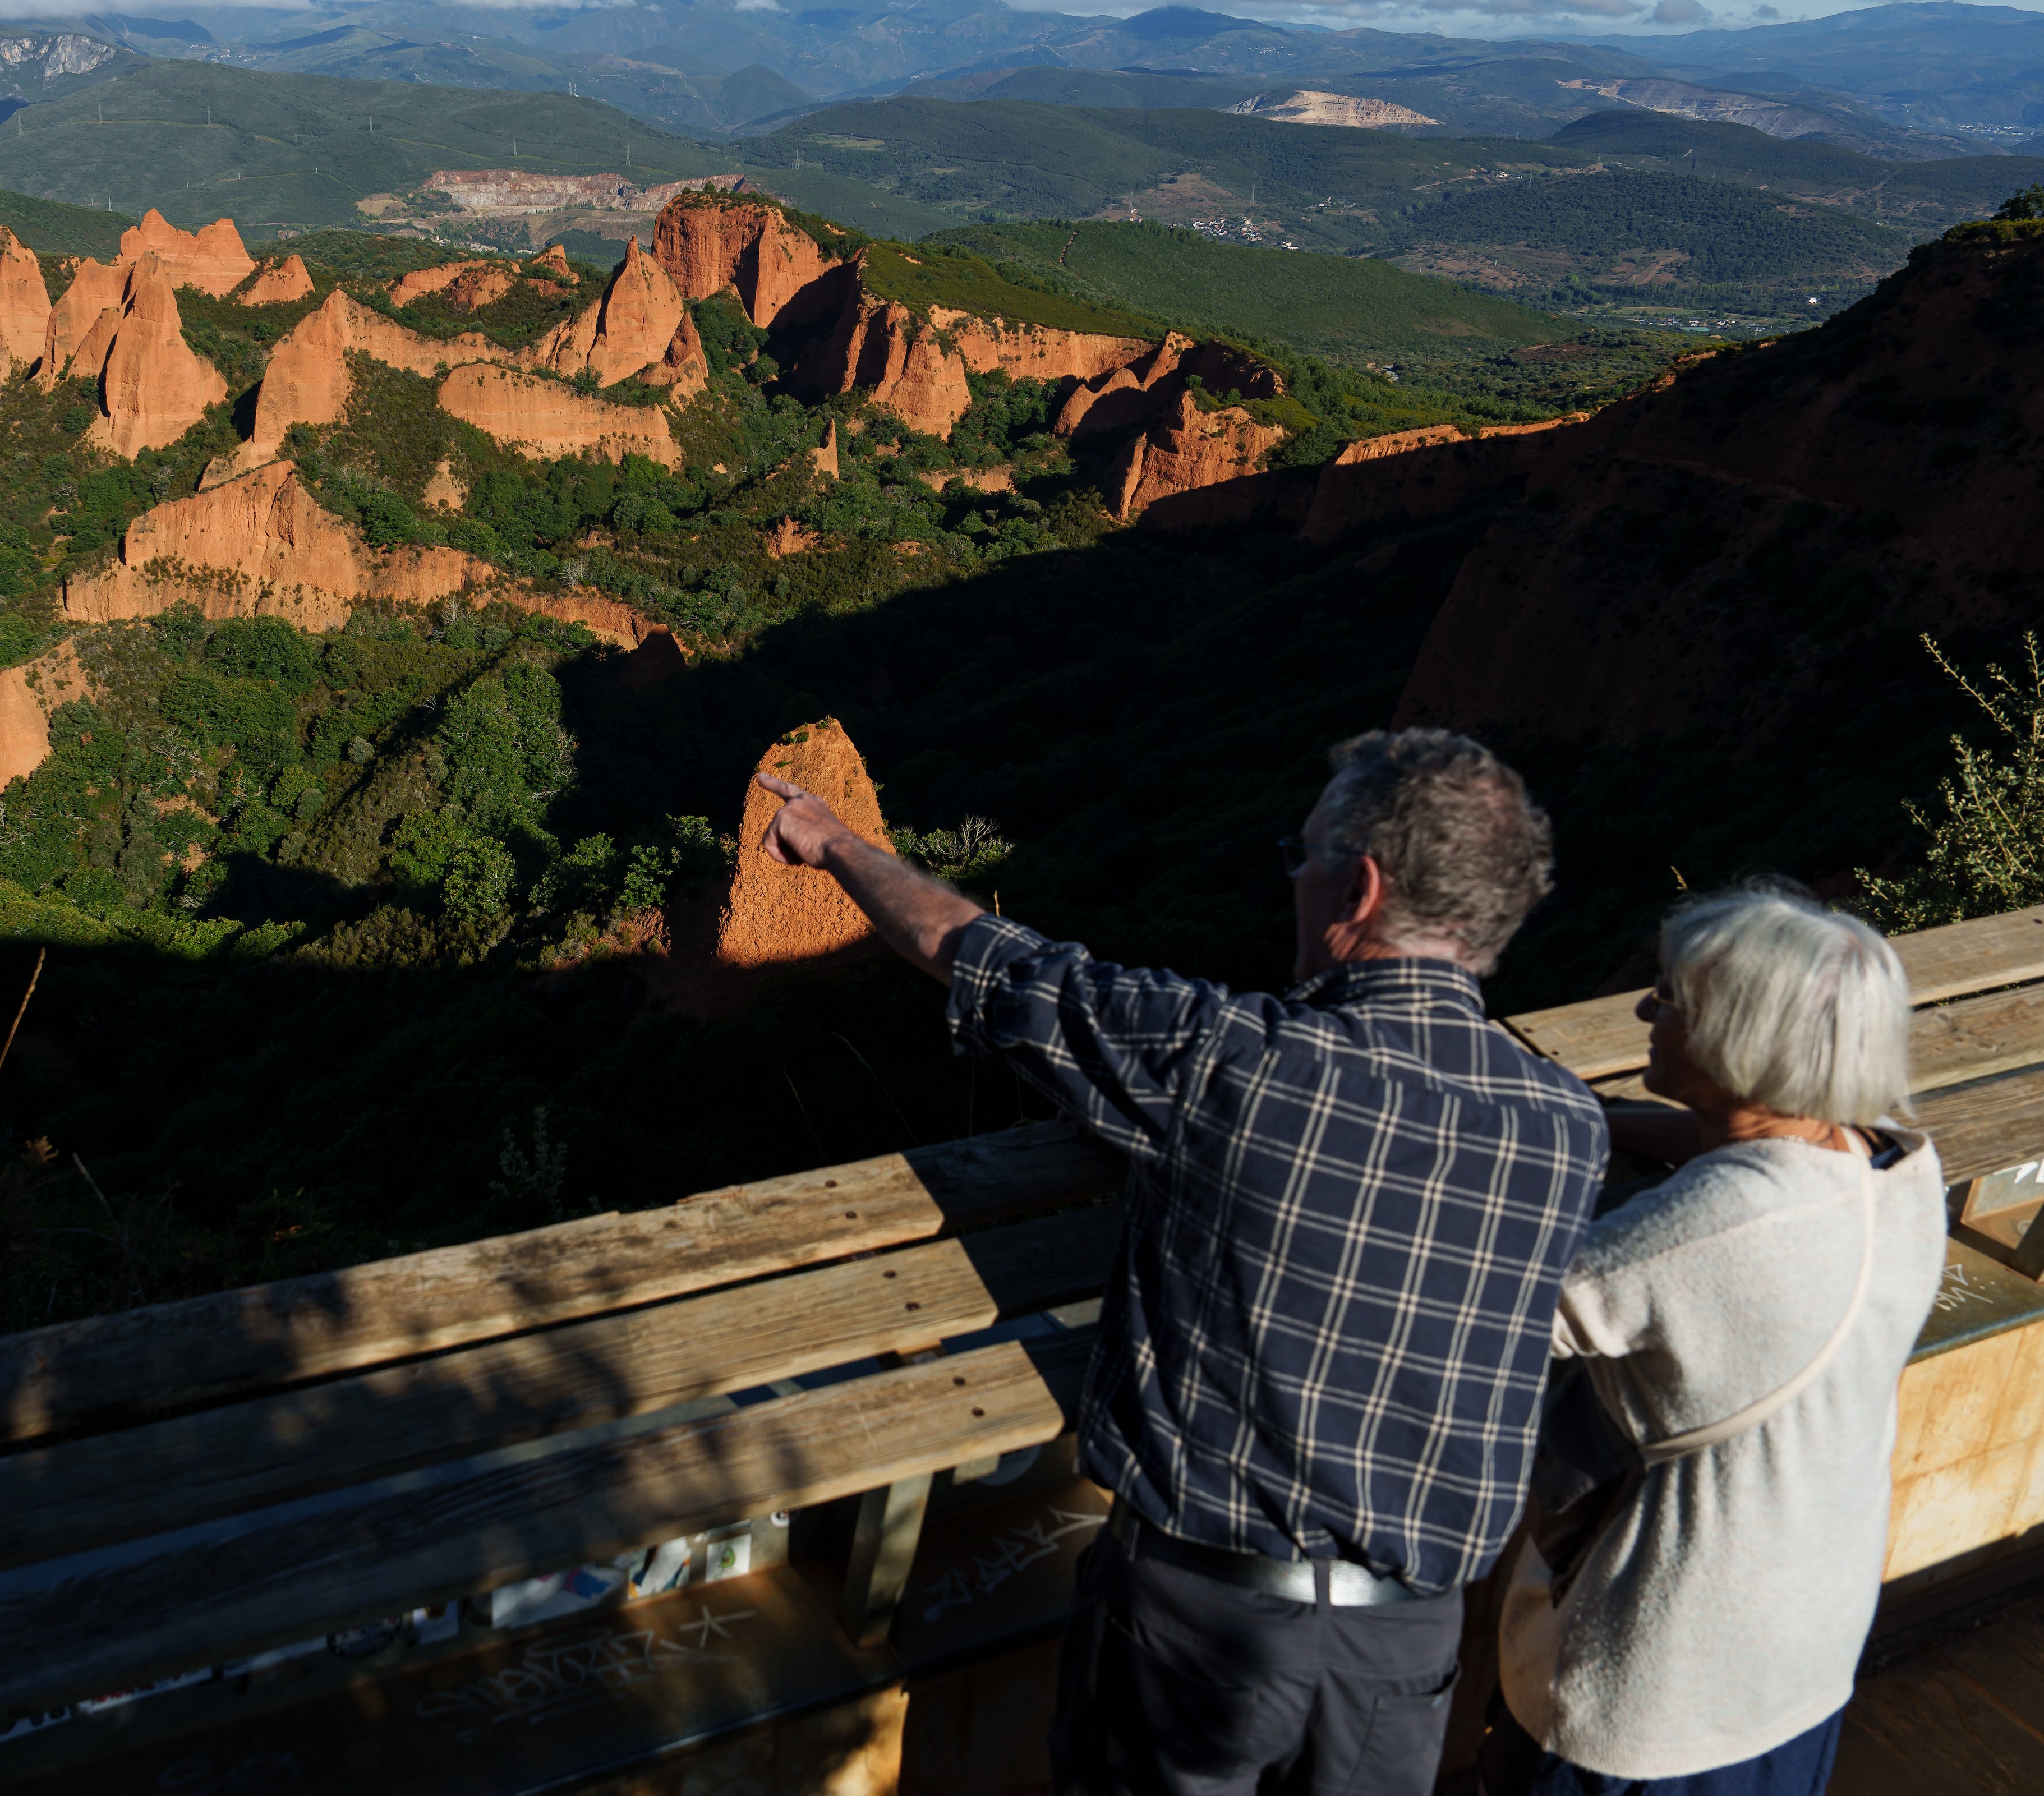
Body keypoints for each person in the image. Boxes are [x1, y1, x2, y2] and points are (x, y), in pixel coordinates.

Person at [758, 728, 1608, 1796]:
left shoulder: (1235, 1062)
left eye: (1302, 858)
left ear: (1361, 885)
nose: (1293, 881)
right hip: (1409, 1652)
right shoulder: (1566, 1122)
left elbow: (985, 955)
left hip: (1199, 1632)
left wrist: (833, 842)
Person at [1484, 887, 1944, 1796]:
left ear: (1745, 1034)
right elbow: (1742, 1157)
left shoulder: (1705, 1232)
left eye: (1672, 996)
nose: (1646, 1010)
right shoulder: (1897, 1162)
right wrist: (1605, 1119)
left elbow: (1482, 1307)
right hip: (1801, 1651)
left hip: (1658, 1694)